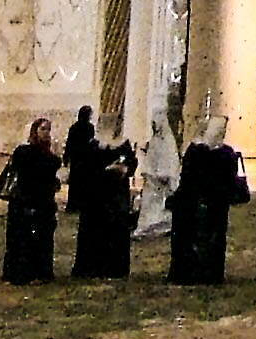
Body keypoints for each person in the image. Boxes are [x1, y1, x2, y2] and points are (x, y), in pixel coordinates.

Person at [169, 116, 247, 284]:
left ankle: (196, 272)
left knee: (202, 240)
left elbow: (188, 177)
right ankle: (209, 273)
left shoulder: (198, 151)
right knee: (211, 240)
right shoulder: (225, 153)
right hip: (214, 204)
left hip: (200, 203)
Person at [72, 115, 137, 280]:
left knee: (116, 230)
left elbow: (131, 162)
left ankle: (115, 268)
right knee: (95, 230)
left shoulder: (123, 144)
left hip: (117, 194)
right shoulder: (93, 145)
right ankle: (93, 267)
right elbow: (85, 168)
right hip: (97, 194)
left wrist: (125, 169)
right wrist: (106, 170)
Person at [0, 117, 63, 282]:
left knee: (42, 238)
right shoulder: (25, 152)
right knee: (23, 238)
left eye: (48, 129)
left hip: (42, 202)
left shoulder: (47, 154)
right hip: (26, 201)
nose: (46, 133)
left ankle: (40, 271)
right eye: (43, 129)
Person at [136, 113, 179, 238]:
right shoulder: (155, 140)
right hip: (152, 179)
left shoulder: (168, 141)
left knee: (159, 205)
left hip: (161, 181)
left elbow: (170, 162)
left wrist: (164, 176)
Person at [62, 104, 98, 216]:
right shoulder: (89, 127)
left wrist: (66, 158)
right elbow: (90, 143)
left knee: (75, 183)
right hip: (85, 159)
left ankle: (72, 205)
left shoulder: (74, 127)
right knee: (83, 183)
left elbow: (69, 144)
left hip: (76, 159)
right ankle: (81, 204)